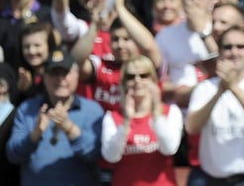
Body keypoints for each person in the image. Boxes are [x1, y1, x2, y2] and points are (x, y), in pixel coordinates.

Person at [185, 27, 244, 185]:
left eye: (240, 47)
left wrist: (233, 88)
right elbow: (192, 127)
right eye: (227, 47)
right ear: (220, 52)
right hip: (214, 179)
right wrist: (219, 92)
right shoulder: (205, 88)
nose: (234, 52)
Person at [6, 49, 103, 185]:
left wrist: (69, 129)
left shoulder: (92, 110)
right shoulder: (28, 109)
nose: (60, 79)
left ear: (76, 75)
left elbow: (96, 154)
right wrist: (35, 135)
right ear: (45, 78)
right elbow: (13, 155)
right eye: (54, 73)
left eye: (65, 73)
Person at [101, 55, 182, 186]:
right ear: (123, 83)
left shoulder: (170, 112)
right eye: (130, 77)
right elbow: (111, 156)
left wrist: (156, 115)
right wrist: (126, 122)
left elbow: (169, 148)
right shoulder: (113, 117)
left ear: (153, 80)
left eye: (144, 75)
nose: (137, 80)